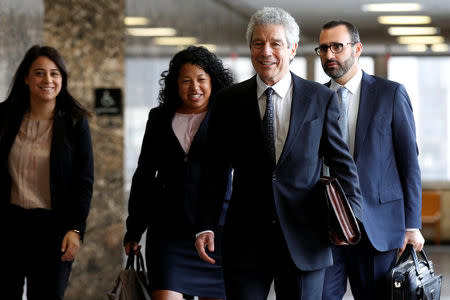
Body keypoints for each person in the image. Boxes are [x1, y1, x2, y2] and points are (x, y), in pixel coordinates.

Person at [195, 7, 363, 300]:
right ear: (250, 48)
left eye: (275, 43)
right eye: (258, 43)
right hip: (245, 239)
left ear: (292, 48)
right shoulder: (228, 101)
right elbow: (214, 169)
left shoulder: (320, 98)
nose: (266, 51)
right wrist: (206, 224)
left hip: (306, 238)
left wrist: (352, 217)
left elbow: (341, 163)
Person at [315, 20, 424, 300]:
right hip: (326, 227)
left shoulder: (390, 94)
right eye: (323, 48)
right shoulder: (313, 98)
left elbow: (409, 163)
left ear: (357, 48)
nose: (329, 55)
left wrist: (412, 225)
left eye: (337, 46)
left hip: (377, 227)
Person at [123, 46, 233, 300]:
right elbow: (144, 175)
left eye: (201, 80)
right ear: (175, 84)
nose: (194, 87)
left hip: (216, 230)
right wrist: (134, 228)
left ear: (212, 82)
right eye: (186, 81)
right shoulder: (159, 117)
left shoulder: (226, 117)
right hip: (168, 230)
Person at [0, 45, 94, 299]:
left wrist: (75, 230)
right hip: (8, 226)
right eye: (39, 73)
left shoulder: (75, 122)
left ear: (62, 79)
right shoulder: (4, 117)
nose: (47, 80)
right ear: (26, 78)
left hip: (53, 230)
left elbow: (83, 183)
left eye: (55, 73)